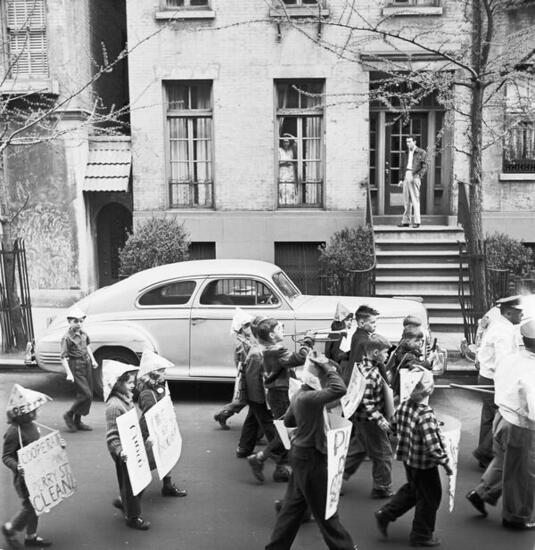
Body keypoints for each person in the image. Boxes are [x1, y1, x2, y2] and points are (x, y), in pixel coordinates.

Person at [265, 353, 356, 550]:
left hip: (300, 454)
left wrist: (308, 421)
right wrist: (328, 368)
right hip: (312, 456)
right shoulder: (310, 398)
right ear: (319, 377)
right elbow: (340, 389)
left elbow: (288, 421)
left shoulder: (301, 394)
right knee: (326, 511)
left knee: (292, 508)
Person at [466, 317, 535, 529]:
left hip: (503, 416)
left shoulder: (511, 359)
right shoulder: (532, 370)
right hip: (521, 425)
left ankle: (482, 492)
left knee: (504, 462)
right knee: (522, 473)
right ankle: (516, 517)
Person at [375, 369, 452, 547]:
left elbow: (392, 428)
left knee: (413, 490)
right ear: (429, 389)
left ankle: (386, 513)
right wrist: (446, 463)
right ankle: (421, 534)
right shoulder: (425, 414)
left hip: (408, 459)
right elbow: (433, 446)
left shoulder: (403, 406)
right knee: (430, 497)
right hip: (424, 464)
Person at [247, 318, 313, 483]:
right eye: (279, 329)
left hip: (278, 393)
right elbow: (300, 358)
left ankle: (279, 467)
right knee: (287, 431)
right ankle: (261, 458)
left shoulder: (270, 348)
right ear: (271, 335)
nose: (283, 330)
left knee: (286, 431)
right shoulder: (276, 350)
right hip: (280, 394)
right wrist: (307, 342)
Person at [473, 295, 523, 469]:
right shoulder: (504, 331)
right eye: (519, 312)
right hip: (495, 378)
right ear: (509, 312)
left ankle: (485, 455)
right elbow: (504, 363)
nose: (522, 315)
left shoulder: (500, 325)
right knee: (502, 415)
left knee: (489, 416)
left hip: (487, 376)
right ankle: (485, 452)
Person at [2, 384, 53, 549]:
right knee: (31, 505)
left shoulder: (32, 425)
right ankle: (10, 528)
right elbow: (6, 456)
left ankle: (31, 536)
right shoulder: (13, 432)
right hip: (24, 478)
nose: (36, 413)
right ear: (22, 414)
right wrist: (17, 466)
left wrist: (56, 446)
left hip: (38, 472)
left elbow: (39, 445)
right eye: (32, 411)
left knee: (38, 505)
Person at [343, 334, 394, 498]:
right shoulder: (371, 375)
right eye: (386, 352)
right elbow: (367, 402)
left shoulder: (361, 366)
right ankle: (381, 487)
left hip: (360, 419)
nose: (387, 355)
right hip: (371, 420)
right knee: (384, 454)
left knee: (358, 450)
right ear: (375, 353)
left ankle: (333, 478)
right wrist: (381, 420)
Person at [103, 360, 150, 530]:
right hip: (123, 451)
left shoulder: (126, 399)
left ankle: (124, 502)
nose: (133, 385)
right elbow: (112, 436)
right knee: (131, 484)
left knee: (140, 479)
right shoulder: (114, 406)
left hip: (132, 446)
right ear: (118, 384)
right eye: (129, 382)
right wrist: (120, 451)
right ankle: (132, 517)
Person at [136, 350, 188, 498]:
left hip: (162, 426)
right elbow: (150, 414)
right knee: (148, 461)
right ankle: (133, 492)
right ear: (154, 373)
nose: (165, 374)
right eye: (162, 371)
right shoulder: (147, 393)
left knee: (167, 453)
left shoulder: (160, 387)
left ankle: (167, 485)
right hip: (151, 430)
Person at [214, 309, 255, 431]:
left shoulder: (246, 341)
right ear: (241, 329)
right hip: (247, 374)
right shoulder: (242, 345)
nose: (250, 328)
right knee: (243, 400)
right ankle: (223, 414)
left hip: (248, 373)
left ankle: (224, 414)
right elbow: (246, 362)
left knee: (245, 400)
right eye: (247, 326)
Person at [60, 306, 99, 432]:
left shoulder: (84, 334)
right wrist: (69, 373)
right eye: (75, 321)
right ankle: (69, 414)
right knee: (86, 394)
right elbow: (63, 357)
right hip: (76, 365)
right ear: (69, 322)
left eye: (81, 321)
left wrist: (93, 360)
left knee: (87, 394)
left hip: (86, 364)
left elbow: (87, 347)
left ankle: (78, 421)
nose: (79, 324)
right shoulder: (67, 338)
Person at [388, 326, 433, 398]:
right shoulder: (406, 355)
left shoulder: (402, 349)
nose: (420, 343)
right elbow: (414, 366)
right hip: (403, 388)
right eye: (417, 340)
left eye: (421, 340)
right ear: (408, 341)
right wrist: (429, 361)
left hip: (401, 385)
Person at [397, 136, 427, 229]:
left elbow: (424, 166)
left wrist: (418, 176)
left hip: (415, 175)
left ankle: (417, 222)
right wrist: (401, 179)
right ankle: (406, 221)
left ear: (414, 142)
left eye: (410, 142)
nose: (408, 144)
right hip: (406, 174)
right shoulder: (405, 153)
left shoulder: (421, 152)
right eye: (407, 142)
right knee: (406, 200)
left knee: (415, 199)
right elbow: (402, 167)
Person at [346, 305, 380, 384]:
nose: (375, 325)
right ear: (361, 323)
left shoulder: (357, 335)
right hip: (359, 379)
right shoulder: (365, 340)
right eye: (372, 322)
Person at [324, 302, 353, 374]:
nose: (350, 322)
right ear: (342, 321)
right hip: (338, 368)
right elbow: (338, 354)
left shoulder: (332, 333)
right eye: (347, 320)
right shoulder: (341, 335)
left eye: (351, 320)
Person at [278, 134, 297, 205]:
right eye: (284, 142)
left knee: (290, 188)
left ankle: (290, 203)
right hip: (282, 171)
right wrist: (285, 163)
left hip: (290, 172)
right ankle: (282, 203)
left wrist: (289, 135)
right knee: (283, 188)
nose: (286, 143)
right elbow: (276, 163)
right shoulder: (279, 150)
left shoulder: (291, 150)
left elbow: (296, 141)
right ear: (282, 142)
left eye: (287, 142)